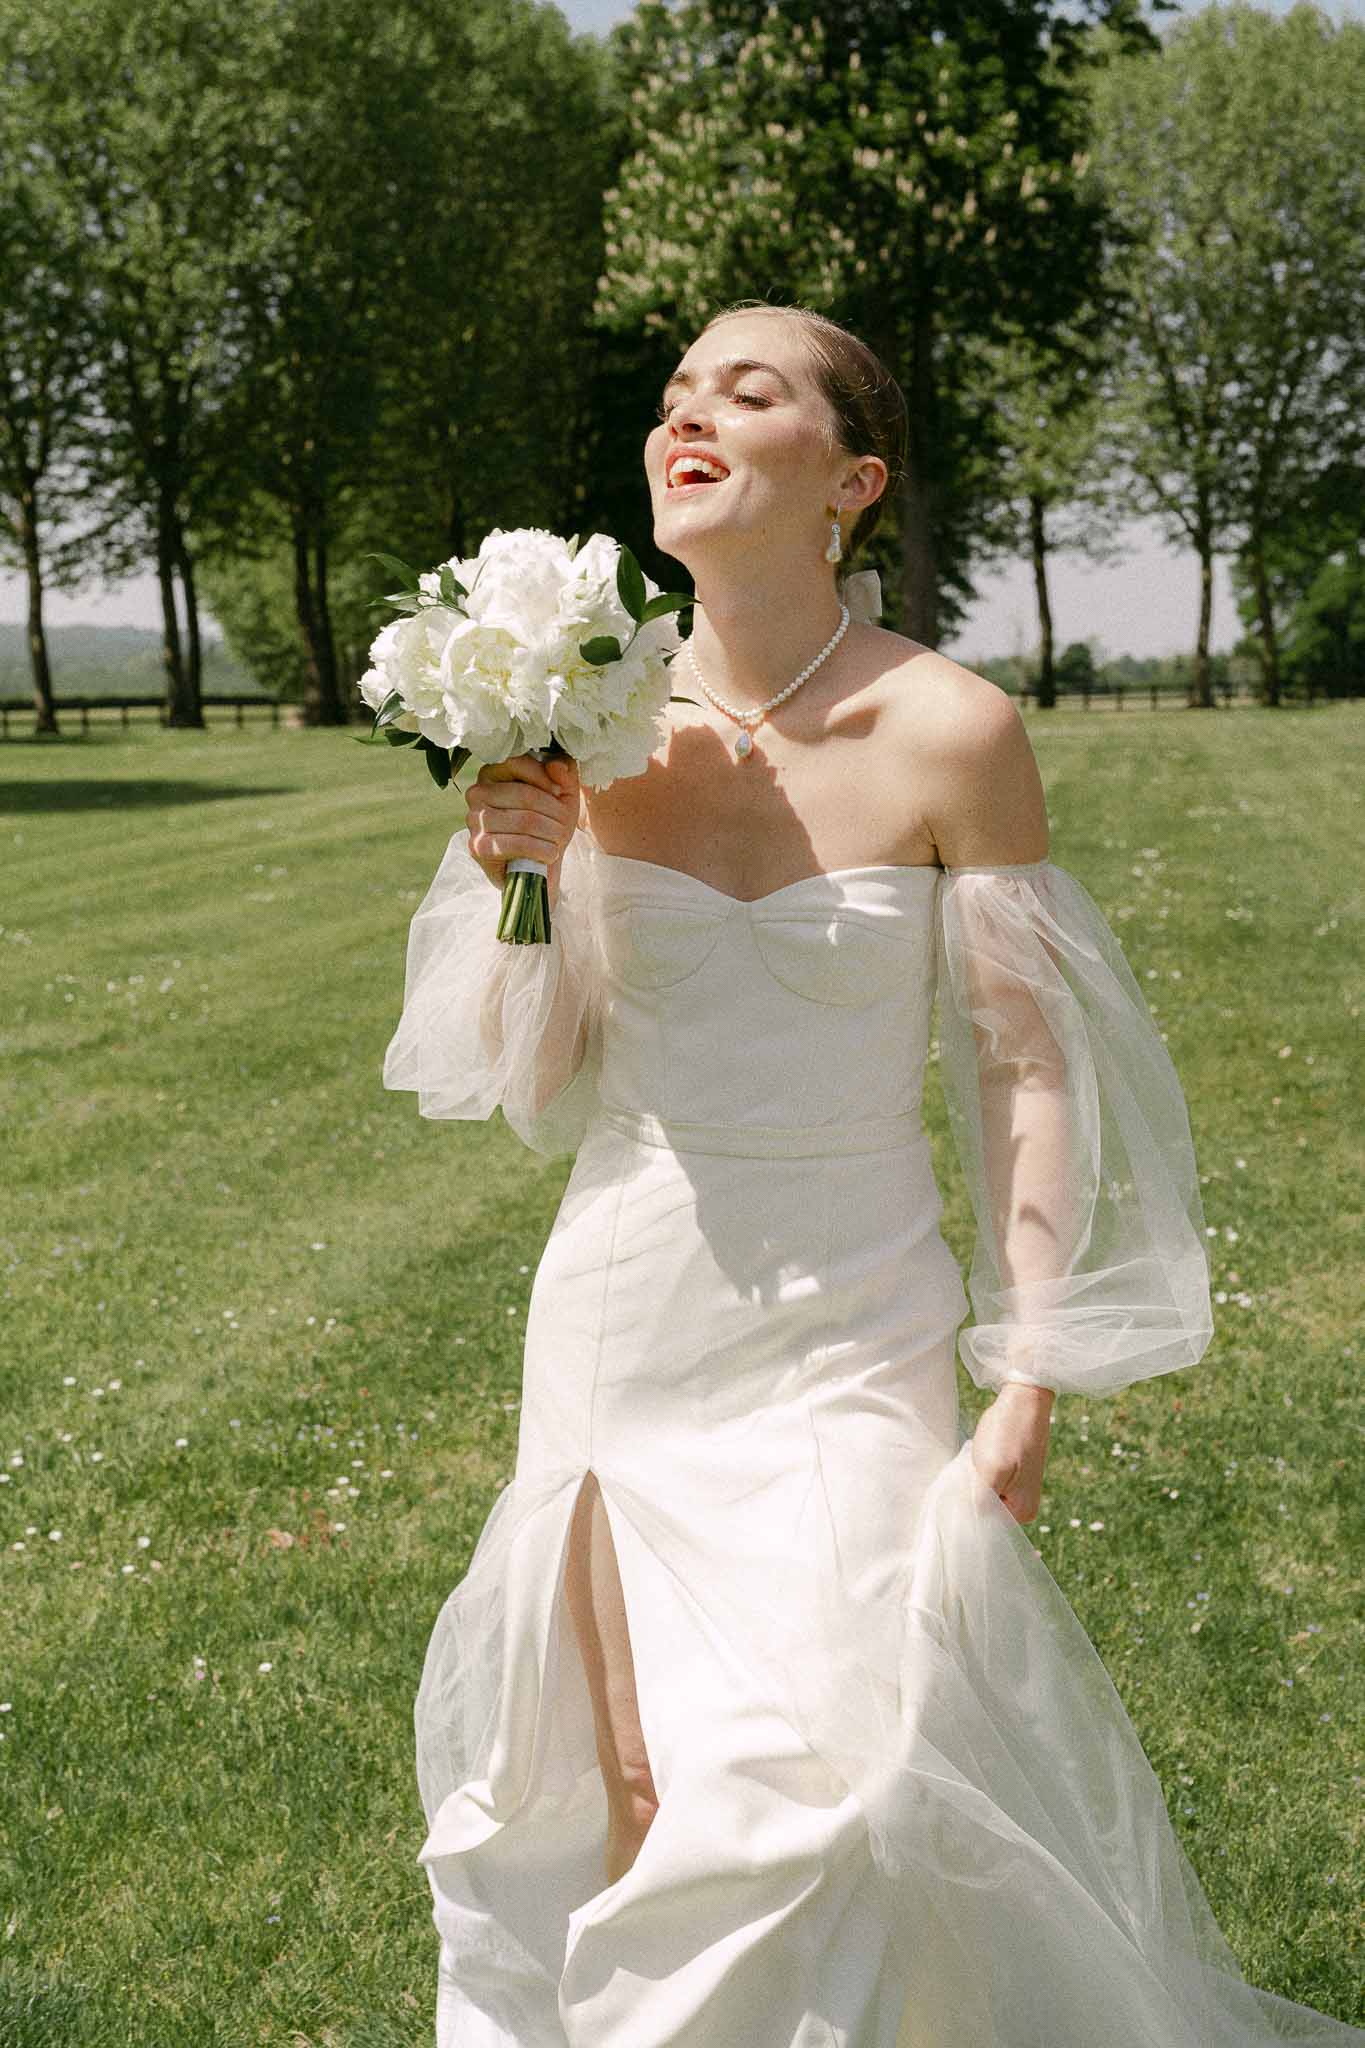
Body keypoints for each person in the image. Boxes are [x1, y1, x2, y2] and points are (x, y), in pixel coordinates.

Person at [383, 302, 1363, 2046]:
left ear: (849, 480)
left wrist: (1030, 1365)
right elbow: (534, 1086)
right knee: (629, 1778)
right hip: (629, 1306)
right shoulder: (582, 732)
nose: (688, 417)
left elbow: (1020, 1066)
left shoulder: (952, 731)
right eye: (676, 395)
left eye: (745, 394)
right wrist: (526, 880)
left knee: (831, 1782)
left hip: (859, 1316)